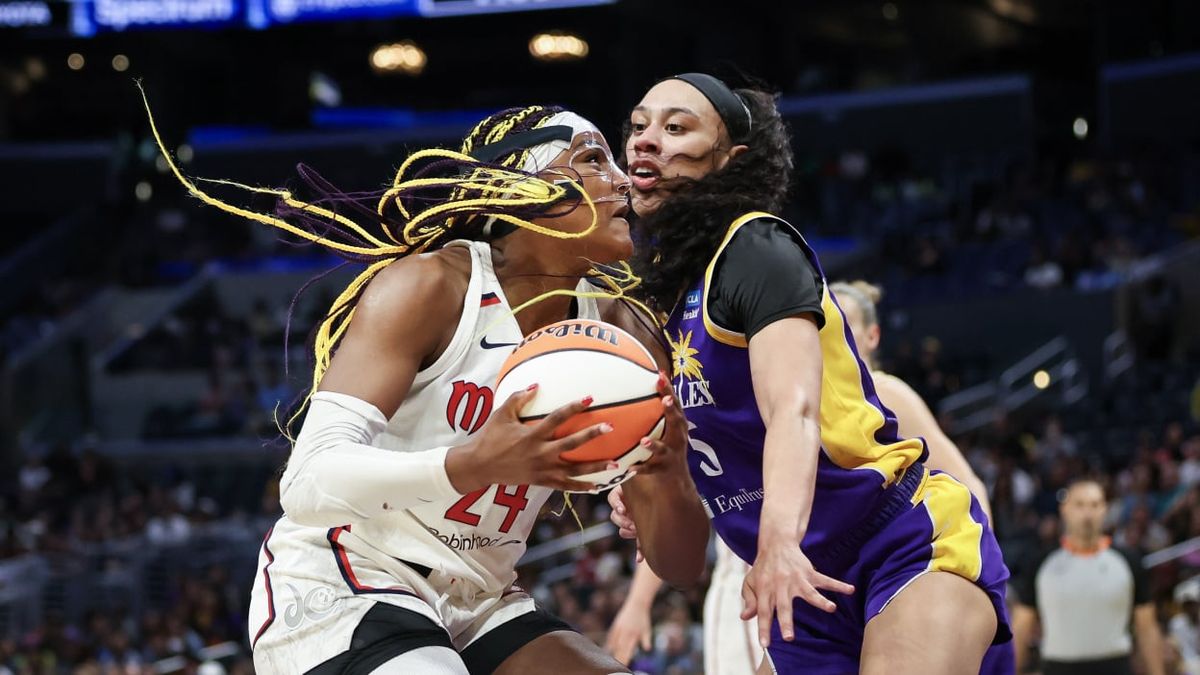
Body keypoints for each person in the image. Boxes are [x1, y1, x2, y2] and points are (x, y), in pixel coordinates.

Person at [146, 100, 709, 674]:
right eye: (593, 159)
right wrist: (472, 463)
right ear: (518, 189)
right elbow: (307, 483)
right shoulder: (431, 287)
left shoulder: (623, 332)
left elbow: (682, 564)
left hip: (478, 601)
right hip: (348, 575)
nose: (622, 179)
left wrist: (669, 475)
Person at [611, 73, 1011, 674]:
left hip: (897, 541)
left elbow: (791, 410)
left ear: (730, 160)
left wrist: (777, 542)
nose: (646, 140)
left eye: (676, 127)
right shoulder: (642, 307)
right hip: (803, 587)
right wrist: (653, 489)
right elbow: (687, 545)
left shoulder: (754, 247)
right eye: (639, 126)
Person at [606, 279, 1004, 674]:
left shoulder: (881, 391)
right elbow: (694, 489)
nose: (813, 328)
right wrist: (646, 489)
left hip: (850, 553)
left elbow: (967, 482)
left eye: (830, 319)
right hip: (757, 574)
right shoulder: (751, 389)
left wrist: (980, 577)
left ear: (869, 335)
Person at [1011, 479, 1165, 675]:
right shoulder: (1042, 563)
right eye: (1080, 505)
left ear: (1105, 510)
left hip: (1115, 667)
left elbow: (1147, 629)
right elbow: (1021, 628)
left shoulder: (1129, 561)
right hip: (1058, 668)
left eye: (1094, 505)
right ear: (1065, 509)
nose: (1087, 513)